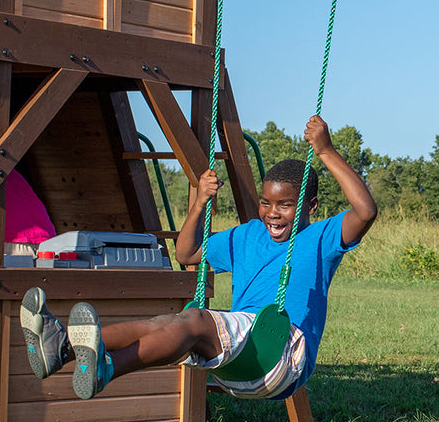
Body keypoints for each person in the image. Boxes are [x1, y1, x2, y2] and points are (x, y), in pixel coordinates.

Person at [19, 116, 377, 401]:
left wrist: (326, 151)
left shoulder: (321, 238)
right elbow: (186, 252)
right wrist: (199, 203)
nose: (272, 213)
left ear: (309, 206)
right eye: (266, 202)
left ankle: (106, 368)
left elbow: (365, 211)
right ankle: (61, 345)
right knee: (165, 323)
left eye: (285, 205)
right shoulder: (248, 234)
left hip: (280, 356)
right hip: (239, 357)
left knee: (194, 321)